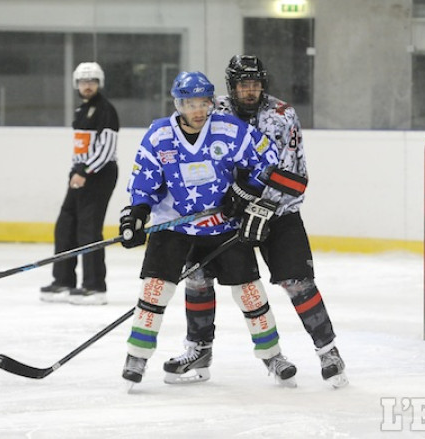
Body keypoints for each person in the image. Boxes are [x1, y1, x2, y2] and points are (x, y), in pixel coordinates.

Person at [167, 55, 347, 388]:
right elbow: (189, 146)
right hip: (228, 217)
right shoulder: (214, 110)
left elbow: (294, 176)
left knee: (298, 282)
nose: (250, 90)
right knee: (198, 277)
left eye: (255, 84)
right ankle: (199, 350)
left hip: (279, 214)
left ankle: (329, 352)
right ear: (231, 85)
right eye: (243, 84)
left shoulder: (282, 115)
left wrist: (257, 202)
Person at [118, 70, 297, 386]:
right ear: (178, 104)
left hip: (223, 225)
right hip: (174, 226)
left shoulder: (229, 130)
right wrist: (137, 213)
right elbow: (144, 178)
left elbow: (268, 156)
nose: (198, 111)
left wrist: (245, 189)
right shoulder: (159, 136)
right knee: (154, 291)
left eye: (203, 103)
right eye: (190, 104)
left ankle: (273, 356)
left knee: (250, 292)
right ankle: (137, 357)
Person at [40, 62, 119, 306]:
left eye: (92, 81)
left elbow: (106, 150)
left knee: (89, 229)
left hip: (98, 175)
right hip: (80, 175)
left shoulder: (105, 110)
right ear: (77, 84)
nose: (87, 86)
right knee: (65, 225)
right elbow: (82, 147)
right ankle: (63, 280)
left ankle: (94, 287)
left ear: (99, 83)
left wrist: (85, 170)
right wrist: (77, 170)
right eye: (83, 82)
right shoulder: (81, 111)